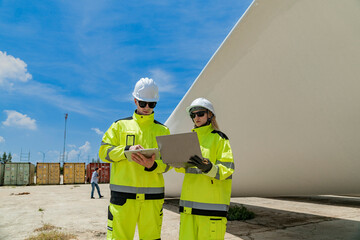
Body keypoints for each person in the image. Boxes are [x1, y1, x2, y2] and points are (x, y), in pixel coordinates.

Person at [99, 77, 171, 240]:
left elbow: (168, 164)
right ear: (135, 101)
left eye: (151, 104)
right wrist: (126, 150)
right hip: (123, 198)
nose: (147, 108)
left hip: (152, 200)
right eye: (142, 103)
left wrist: (152, 165)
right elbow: (104, 152)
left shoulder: (163, 130)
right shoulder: (119, 126)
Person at [176, 97, 235, 240]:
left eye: (200, 113)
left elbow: (227, 169)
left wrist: (209, 168)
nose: (196, 117)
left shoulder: (220, 139)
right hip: (189, 209)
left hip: (211, 211)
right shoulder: (188, 139)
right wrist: (175, 161)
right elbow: (183, 169)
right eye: (193, 115)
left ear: (210, 115)